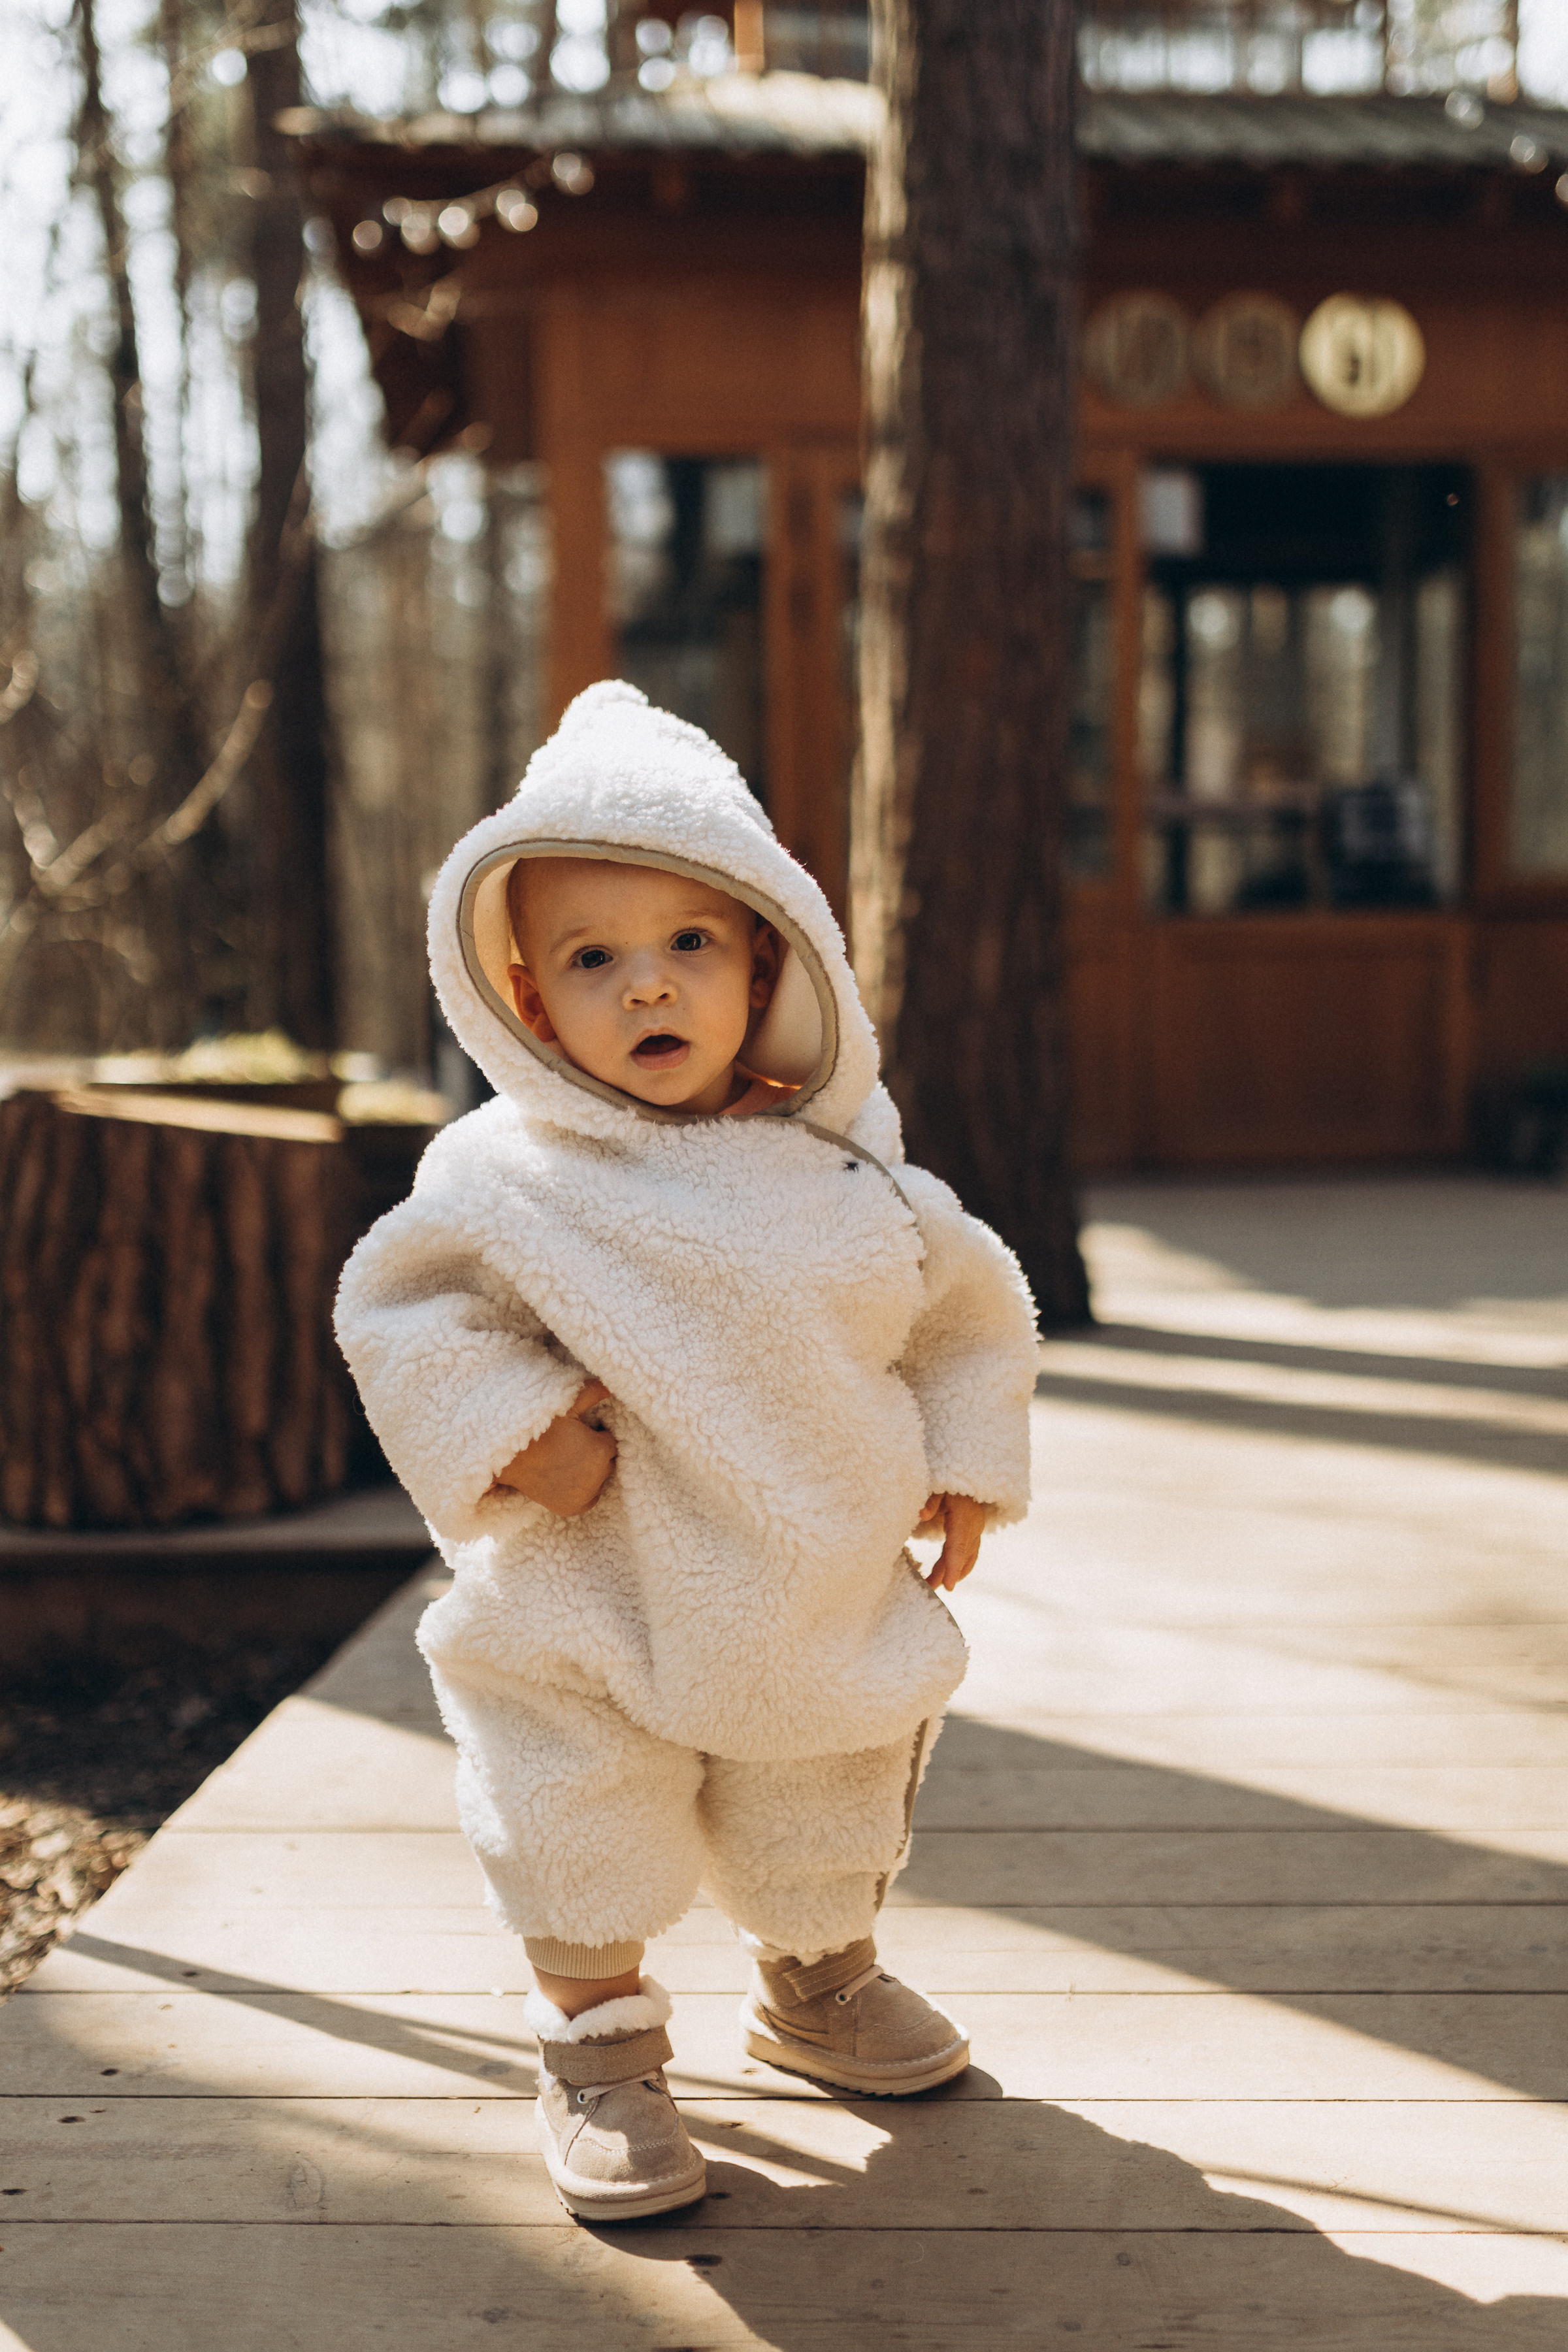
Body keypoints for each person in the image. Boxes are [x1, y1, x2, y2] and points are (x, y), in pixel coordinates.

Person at [335, 681, 1038, 2223]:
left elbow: (967, 1308)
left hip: (810, 1580)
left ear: (769, 962)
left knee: (825, 1786)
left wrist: (969, 1454)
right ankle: (597, 2048)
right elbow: (396, 1314)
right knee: (575, 1810)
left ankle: (817, 1982)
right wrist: (517, 1434)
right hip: (589, 1591)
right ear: (530, 1001)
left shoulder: (842, 1167)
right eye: (593, 958)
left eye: (690, 944)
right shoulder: (501, 1179)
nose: (647, 984)